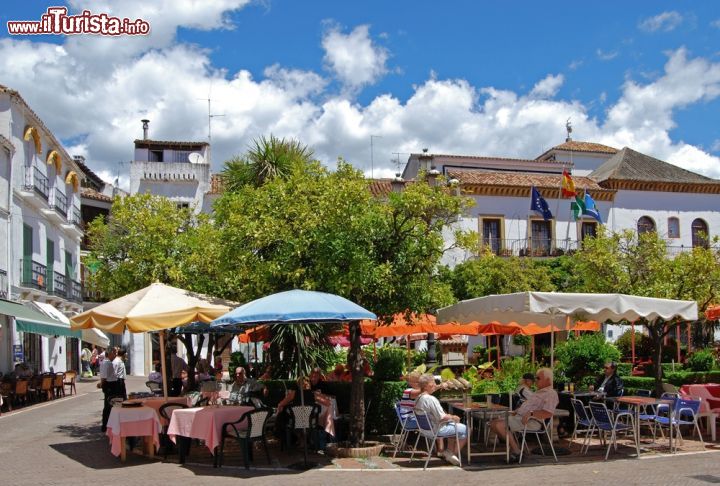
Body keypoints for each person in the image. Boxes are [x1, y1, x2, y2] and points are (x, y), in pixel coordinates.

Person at [490, 367, 558, 463]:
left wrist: (530, 413)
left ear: (547, 380)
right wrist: (518, 410)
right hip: (521, 417)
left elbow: (548, 413)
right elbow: (529, 405)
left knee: (499, 425)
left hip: (533, 421)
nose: (535, 381)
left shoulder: (551, 393)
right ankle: (515, 448)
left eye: (538, 378)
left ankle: (516, 451)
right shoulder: (538, 392)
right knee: (492, 424)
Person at [414, 373, 466, 466]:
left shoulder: (418, 398)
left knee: (453, 426)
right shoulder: (431, 399)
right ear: (426, 386)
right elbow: (442, 417)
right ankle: (452, 454)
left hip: (425, 430)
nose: (434, 384)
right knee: (466, 429)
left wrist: (450, 418)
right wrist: (453, 417)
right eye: (432, 382)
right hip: (436, 430)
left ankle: (449, 452)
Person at [99, 347, 119, 432]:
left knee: (111, 405)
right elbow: (104, 377)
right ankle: (105, 425)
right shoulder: (106, 363)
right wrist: (101, 384)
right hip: (109, 385)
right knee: (108, 406)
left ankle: (109, 424)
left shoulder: (109, 363)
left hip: (112, 384)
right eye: (114, 353)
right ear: (110, 354)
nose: (115, 355)